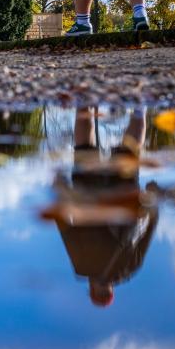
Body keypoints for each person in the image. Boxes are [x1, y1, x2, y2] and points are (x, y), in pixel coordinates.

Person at [45, 107, 157, 307]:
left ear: (111, 290)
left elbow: (146, 232)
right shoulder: (82, 267)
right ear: (92, 290)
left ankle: (140, 106)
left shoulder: (128, 269)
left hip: (122, 200)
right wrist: (59, 193)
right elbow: (66, 231)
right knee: (84, 148)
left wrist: (153, 203)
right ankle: (85, 103)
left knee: (129, 152)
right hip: (88, 198)